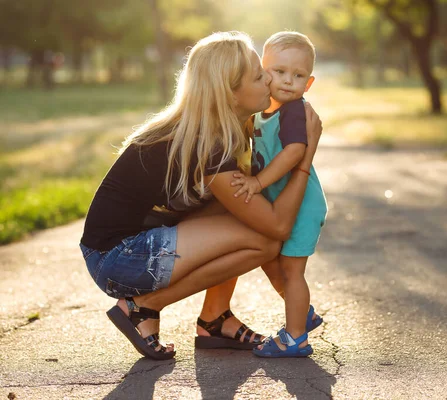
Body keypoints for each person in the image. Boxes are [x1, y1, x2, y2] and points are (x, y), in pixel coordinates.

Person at [78, 31, 323, 360]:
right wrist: (304, 158)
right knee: (263, 240)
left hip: (128, 246)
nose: (268, 79)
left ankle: (215, 318)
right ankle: (142, 308)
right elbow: (277, 227)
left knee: (242, 213)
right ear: (230, 93)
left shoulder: (214, 126)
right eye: (258, 75)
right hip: (115, 258)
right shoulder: (211, 144)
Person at [229, 32, 326, 358]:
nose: (288, 81)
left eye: (298, 76)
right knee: (271, 259)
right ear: (262, 72)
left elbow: (295, 151)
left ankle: (296, 337)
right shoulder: (263, 112)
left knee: (292, 272)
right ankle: (303, 314)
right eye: (279, 72)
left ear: (308, 83)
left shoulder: (294, 111)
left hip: (302, 205)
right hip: (282, 202)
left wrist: (257, 184)